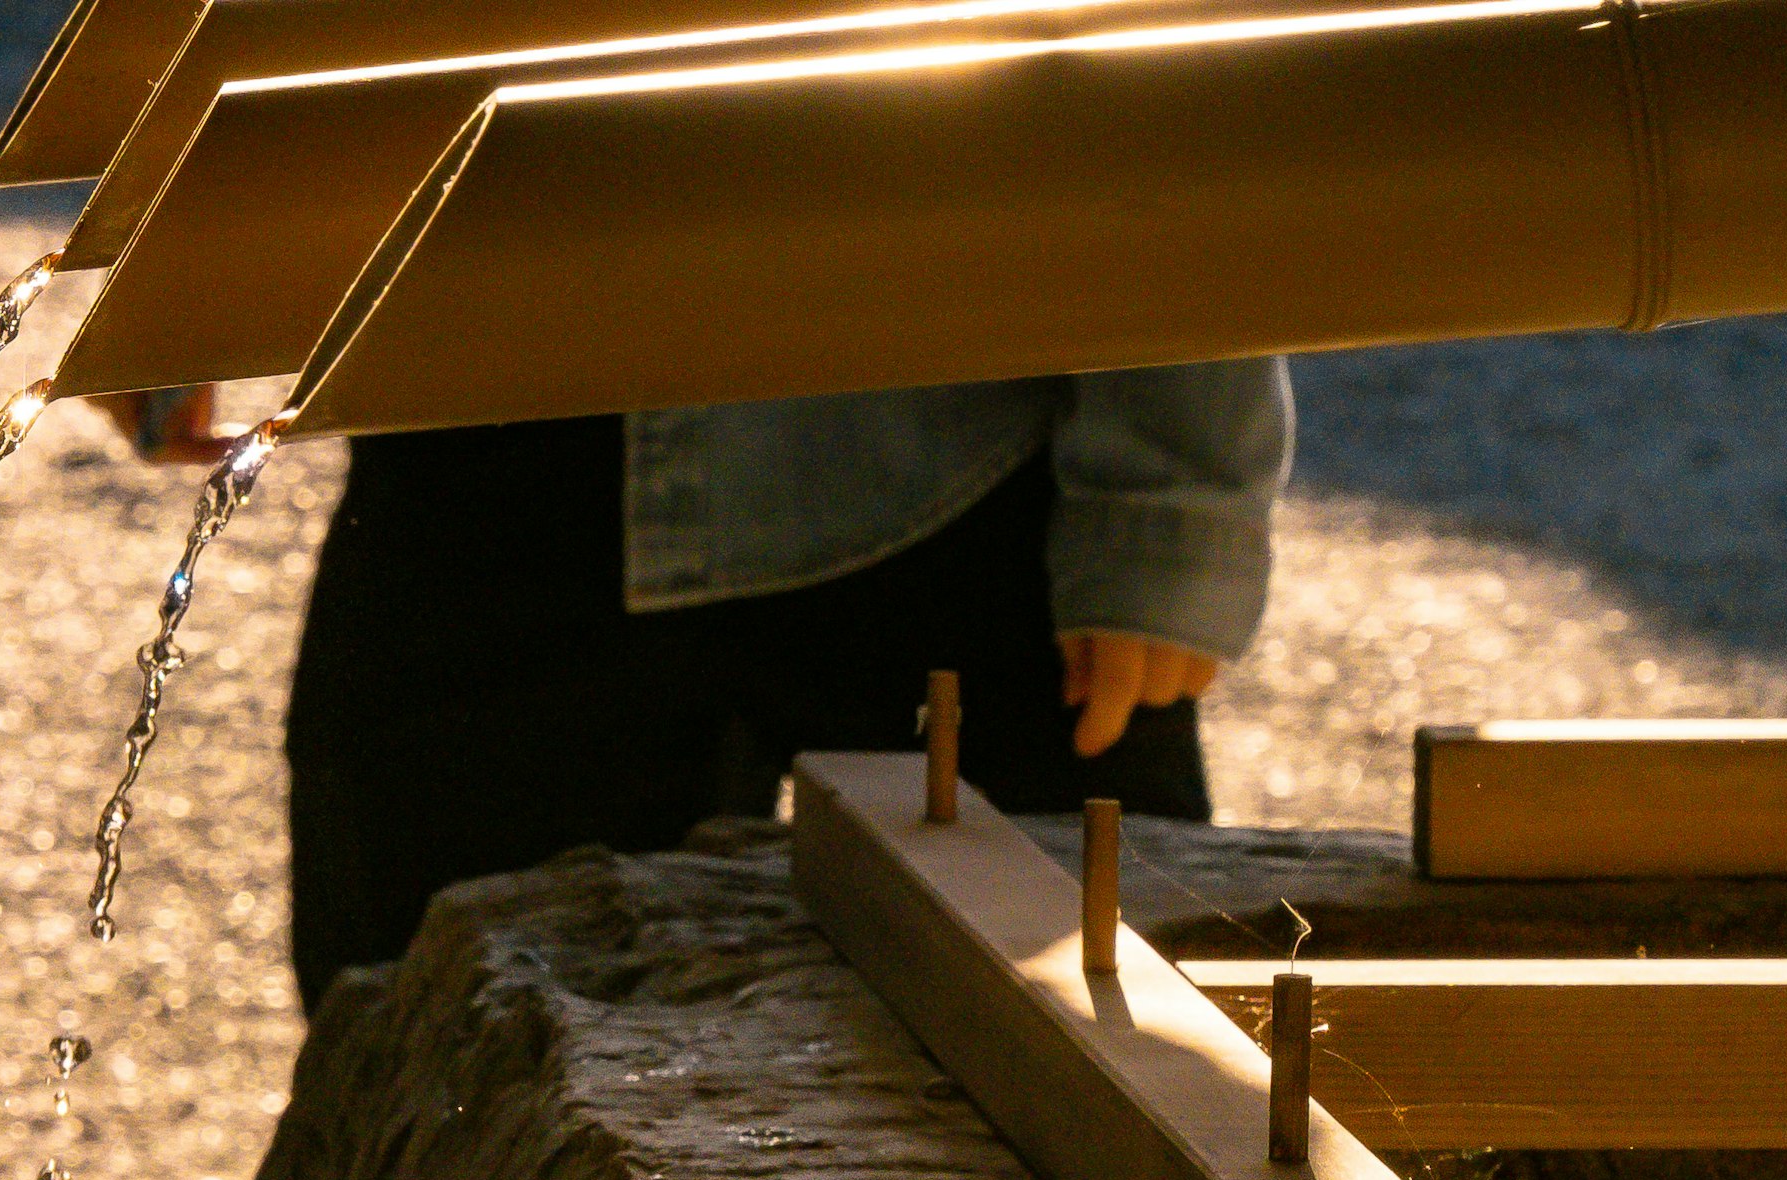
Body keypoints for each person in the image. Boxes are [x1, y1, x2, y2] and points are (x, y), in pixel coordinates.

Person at [106, 367, 1291, 1010]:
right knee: (417, 1046)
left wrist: (1174, 493)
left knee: (1104, 1066)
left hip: (953, 432)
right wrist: (186, 239)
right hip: (490, 418)